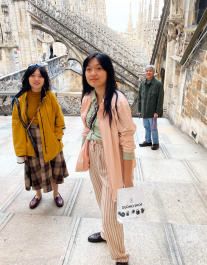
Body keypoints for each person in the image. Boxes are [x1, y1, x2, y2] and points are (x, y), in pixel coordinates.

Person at [79, 52, 136, 265]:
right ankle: (105, 233)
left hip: (113, 156)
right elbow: (86, 125)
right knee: (101, 200)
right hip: (93, 154)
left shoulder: (118, 101)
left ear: (108, 71)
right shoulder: (88, 97)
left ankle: (121, 257)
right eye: (88, 69)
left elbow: (128, 140)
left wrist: (128, 177)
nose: (93, 73)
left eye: (98, 68)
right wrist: (84, 147)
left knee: (112, 210)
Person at [12, 64, 68, 209]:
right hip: (31, 141)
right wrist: (20, 151)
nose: (36, 79)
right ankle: (38, 195)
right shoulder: (20, 100)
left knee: (54, 169)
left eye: (40, 76)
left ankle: (56, 194)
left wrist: (57, 137)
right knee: (35, 170)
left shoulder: (50, 96)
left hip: (50, 139)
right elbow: (17, 127)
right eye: (33, 75)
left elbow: (59, 120)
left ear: (45, 79)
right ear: (27, 78)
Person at [138, 65, 164, 150]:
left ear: (154, 72)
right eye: (147, 71)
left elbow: (160, 99)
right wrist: (139, 110)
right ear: (145, 72)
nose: (148, 72)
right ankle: (148, 141)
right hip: (144, 111)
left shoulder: (158, 84)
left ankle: (155, 143)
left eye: (150, 71)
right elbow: (139, 97)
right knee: (146, 127)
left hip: (153, 112)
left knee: (153, 128)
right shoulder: (142, 83)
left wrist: (157, 112)